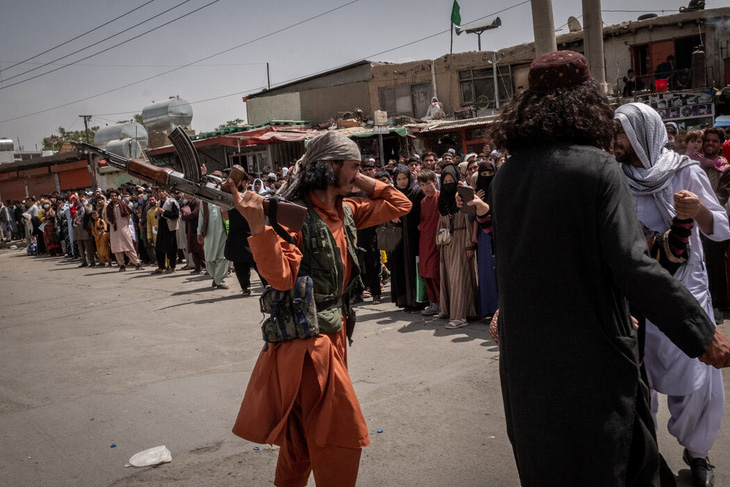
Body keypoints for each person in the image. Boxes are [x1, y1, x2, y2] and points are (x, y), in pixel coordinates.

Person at [485, 50, 730, 486]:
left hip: (526, 364)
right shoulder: (597, 168)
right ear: (585, 104)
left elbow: (513, 263)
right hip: (591, 358)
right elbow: (631, 265)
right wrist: (700, 332)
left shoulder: (506, 176)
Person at [230, 131, 411, 486]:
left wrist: (355, 175)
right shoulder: (296, 217)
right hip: (311, 344)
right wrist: (256, 224)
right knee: (340, 431)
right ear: (330, 166)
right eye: (354, 166)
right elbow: (281, 278)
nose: (361, 174)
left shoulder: (346, 210)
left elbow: (399, 203)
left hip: (337, 328)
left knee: (301, 436)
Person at [615, 103, 729, 487]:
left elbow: (721, 230)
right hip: (638, 294)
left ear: (642, 134)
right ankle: (645, 457)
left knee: (694, 380)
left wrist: (698, 211)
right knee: (638, 380)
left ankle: (698, 453)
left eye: (621, 134)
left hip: (685, 291)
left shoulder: (684, 171)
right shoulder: (614, 177)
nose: (615, 141)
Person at [437, 164, 477, 329]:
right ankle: (461, 311)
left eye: (451, 180)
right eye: (445, 181)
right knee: (451, 278)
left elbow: (469, 221)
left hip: (461, 241)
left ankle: (459, 317)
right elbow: (440, 222)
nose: (447, 183)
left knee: (458, 279)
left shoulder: (462, 196)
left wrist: (469, 245)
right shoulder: (442, 200)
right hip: (447, 244)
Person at [389, 164, 424, 312]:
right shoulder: (393, 193)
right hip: (399, 238)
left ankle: (418, 301)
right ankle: (405, 301)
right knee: (400, 268)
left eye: (404, 178)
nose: (402, 182)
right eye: (399, 179)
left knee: (414, 267)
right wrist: (392, 217)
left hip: (415, 237)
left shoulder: (416, 192)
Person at [197, 177, 229, 289]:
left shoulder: (224, 199)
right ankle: (215, 278)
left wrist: (230, 231)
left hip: (223, 233)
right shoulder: (204, 201)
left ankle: (219, 280)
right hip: (209, 233)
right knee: (210, 258)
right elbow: (201, 216)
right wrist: (199, 232)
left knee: (223, 257)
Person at [417, 169, 441, 316]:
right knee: (425, 272)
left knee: (435, 271)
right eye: (422, 185)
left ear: (435, 182)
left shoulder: (441, 197)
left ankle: (441, 301)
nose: (425, 188)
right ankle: (433, 302)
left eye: (427, 184)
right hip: (424, 240)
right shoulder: (423, 201)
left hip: (438, 240)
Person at [104, 189, 141, 271]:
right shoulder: (109, 207)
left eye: (115, 196)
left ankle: (137, 263)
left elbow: (128, 217)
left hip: (124, 229)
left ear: (117, 196)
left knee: (129, 246)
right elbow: (106, 217)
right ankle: (121, 265)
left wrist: (125, 225)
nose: (114, 197)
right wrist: (111, 223)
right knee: (117, 249)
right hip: (114, 229)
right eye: (112, 196)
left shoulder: (123, 204)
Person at [152, 189, 179, 274]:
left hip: (170, 228)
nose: (160, 193)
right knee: (159, 248)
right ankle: (161, 267)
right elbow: (159, 216)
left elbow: (176, 215)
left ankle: (172, 267)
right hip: (161, 228)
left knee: (171, 248)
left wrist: (164, 212)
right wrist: (157, 215)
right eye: (159, 192)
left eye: (162, 191)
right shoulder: (159, 203)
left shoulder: (172, 202)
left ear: (166, 192)